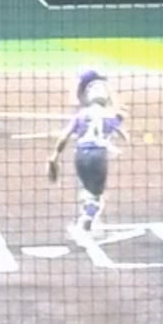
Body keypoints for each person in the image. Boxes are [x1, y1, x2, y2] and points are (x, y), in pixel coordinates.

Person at [47, 94, 129, 243]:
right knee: (96, 195)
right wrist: (119, 118)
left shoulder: (80, 115)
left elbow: (64, 136)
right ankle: (86, 224)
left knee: (85, 188)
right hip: (98, 156)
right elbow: (124, 136)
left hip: (80, 155)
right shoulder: (108, 116)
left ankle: (85, 217)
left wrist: (55, 155)